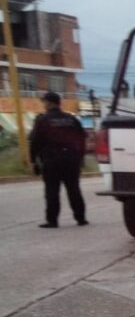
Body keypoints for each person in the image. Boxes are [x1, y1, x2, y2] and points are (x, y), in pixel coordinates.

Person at [30, 91, 88, 228]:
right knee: (74, 189)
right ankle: (81, 218)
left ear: (49, 103)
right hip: (71, 160)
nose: (43, 104)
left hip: (51, 161)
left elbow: (34, 143)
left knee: (52, 191)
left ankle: (52, 220)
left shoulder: (42, 120)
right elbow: (82, 140)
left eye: (44, 102)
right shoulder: (72, 119)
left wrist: (33, 161)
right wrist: (81, 157)